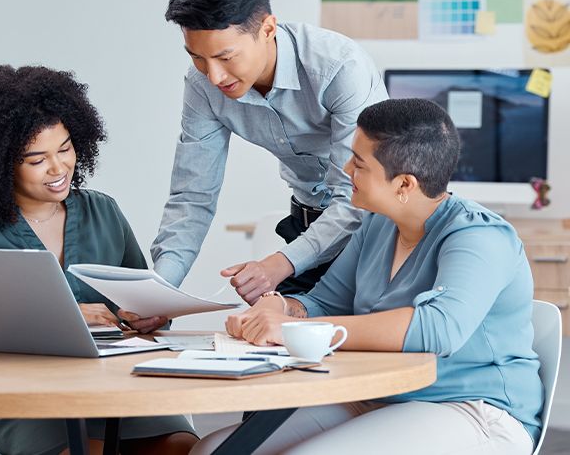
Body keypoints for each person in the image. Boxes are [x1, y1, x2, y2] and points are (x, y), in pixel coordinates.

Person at [193, 98, 544, 455]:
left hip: (474, 409)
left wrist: (291, 331)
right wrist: (278, 308)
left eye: (359, 164)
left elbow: (438, 328)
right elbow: (325, 303)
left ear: (404, 184)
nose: (346, 170)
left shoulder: (479, 236)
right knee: (214, 451)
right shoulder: (377, 224)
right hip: (377, 394)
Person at [0, 65, 198, 455]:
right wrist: (63, 317)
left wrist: (151, 313)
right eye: (36, 159)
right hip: (29, 400)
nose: (59, 168)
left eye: (64, 149)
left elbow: (142, 294)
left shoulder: (103, 211)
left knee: (185, 448)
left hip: (119, 385)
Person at [151, 0, 388, 303]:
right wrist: (157, 292)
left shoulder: (340, 67)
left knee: (361, 342)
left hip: (374, 235)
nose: (214, 76)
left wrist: (280, 264)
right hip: (306, 228)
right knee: (270, 334)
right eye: (197, 57)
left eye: (225, 57)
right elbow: (192, 196)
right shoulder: (203, 85)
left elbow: (355, 198)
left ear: (267, 29)